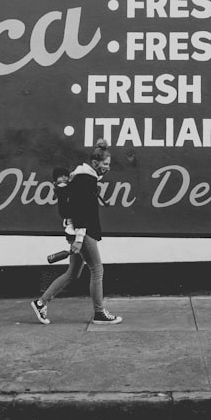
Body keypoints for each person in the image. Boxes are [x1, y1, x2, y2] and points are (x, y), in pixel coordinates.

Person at [31, 139, 123, 325]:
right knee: (97, 269)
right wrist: (80, 239)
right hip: (82, 232)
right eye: (105, 164)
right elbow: (82, 211)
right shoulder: (86, 179)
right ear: (95, 163)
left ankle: (41, 303)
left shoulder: (83, 176)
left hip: (75, 231)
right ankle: (99, 313)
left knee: (72, 273)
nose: (108, 168)